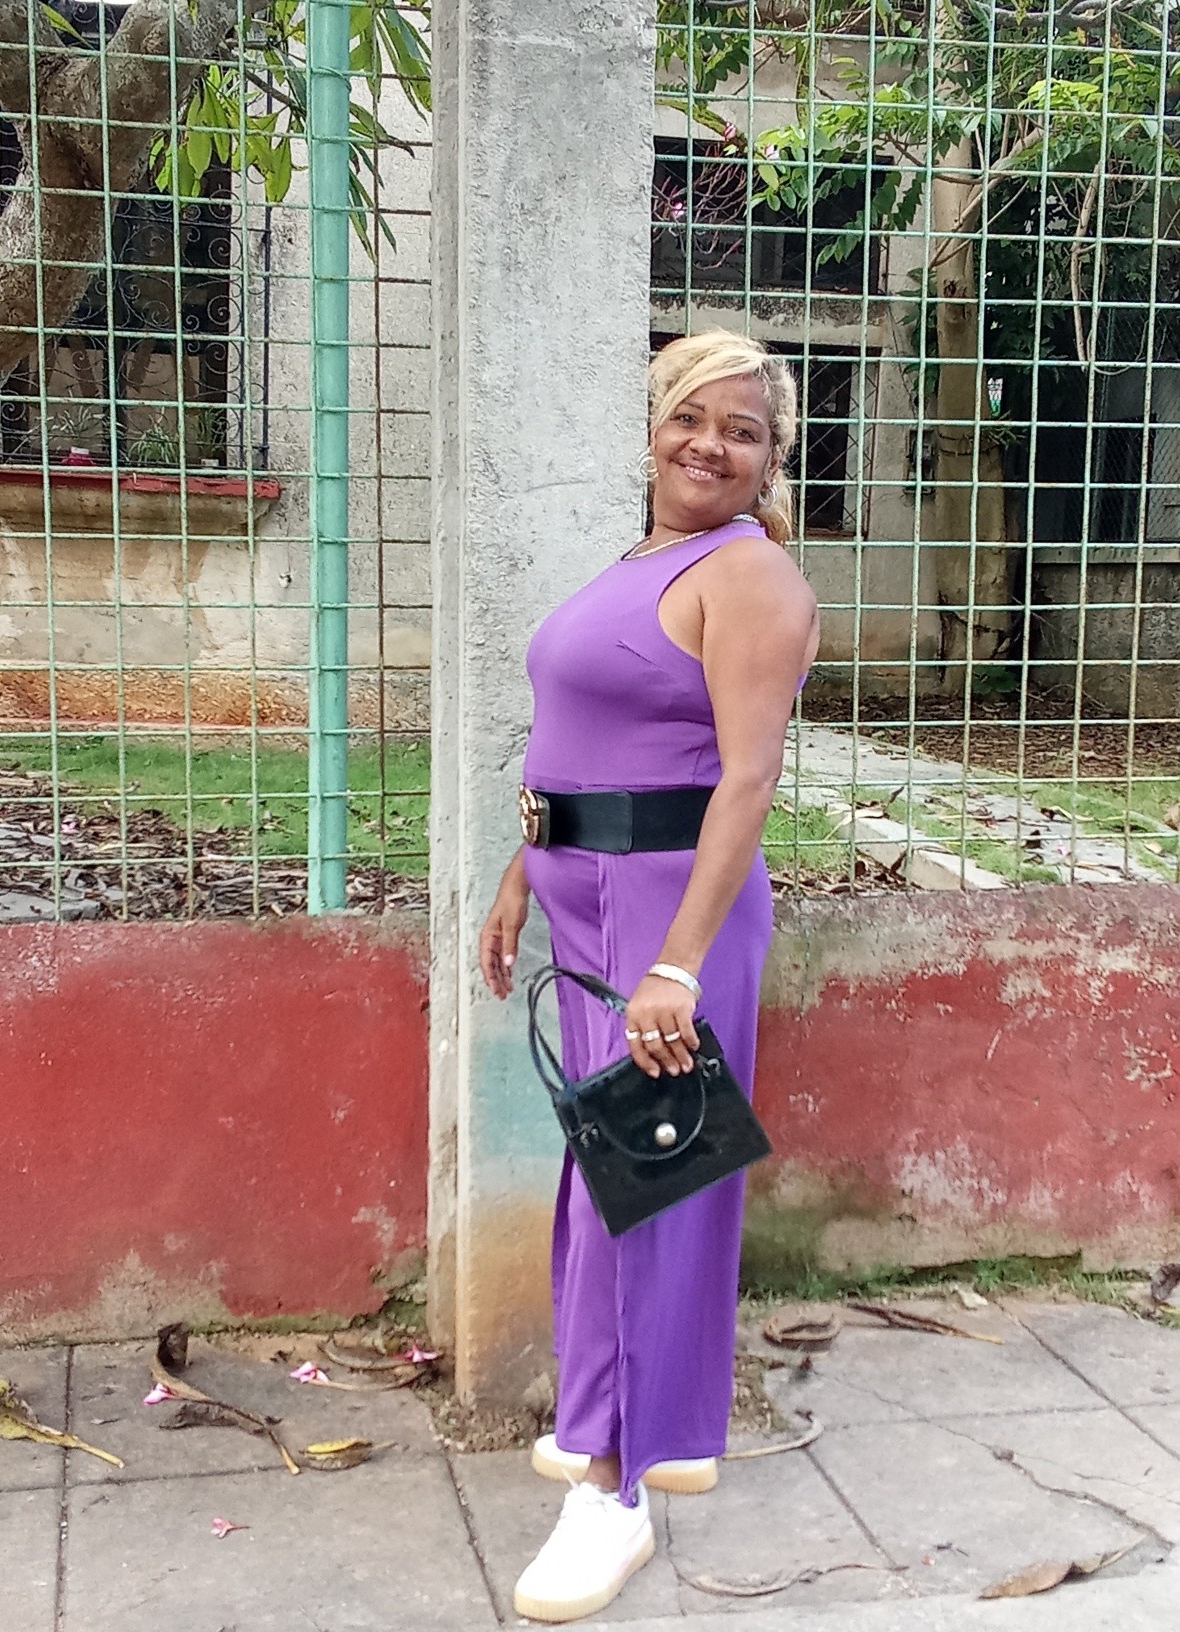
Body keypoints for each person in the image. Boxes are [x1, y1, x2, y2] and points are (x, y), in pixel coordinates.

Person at [479, 330, 820, 1624]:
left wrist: (678, 958)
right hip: (589, 895)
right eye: (691, 417)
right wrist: (524, 870)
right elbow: (584, 740)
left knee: (652, 1185)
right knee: (606, 1169)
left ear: (772, 460)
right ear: (654, 428)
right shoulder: (643, 562)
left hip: (670, 911)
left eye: (744, 430)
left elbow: (747, 779)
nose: (710, 445)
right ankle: (604, 1428)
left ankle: (617, 1489)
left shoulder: (751, 575)